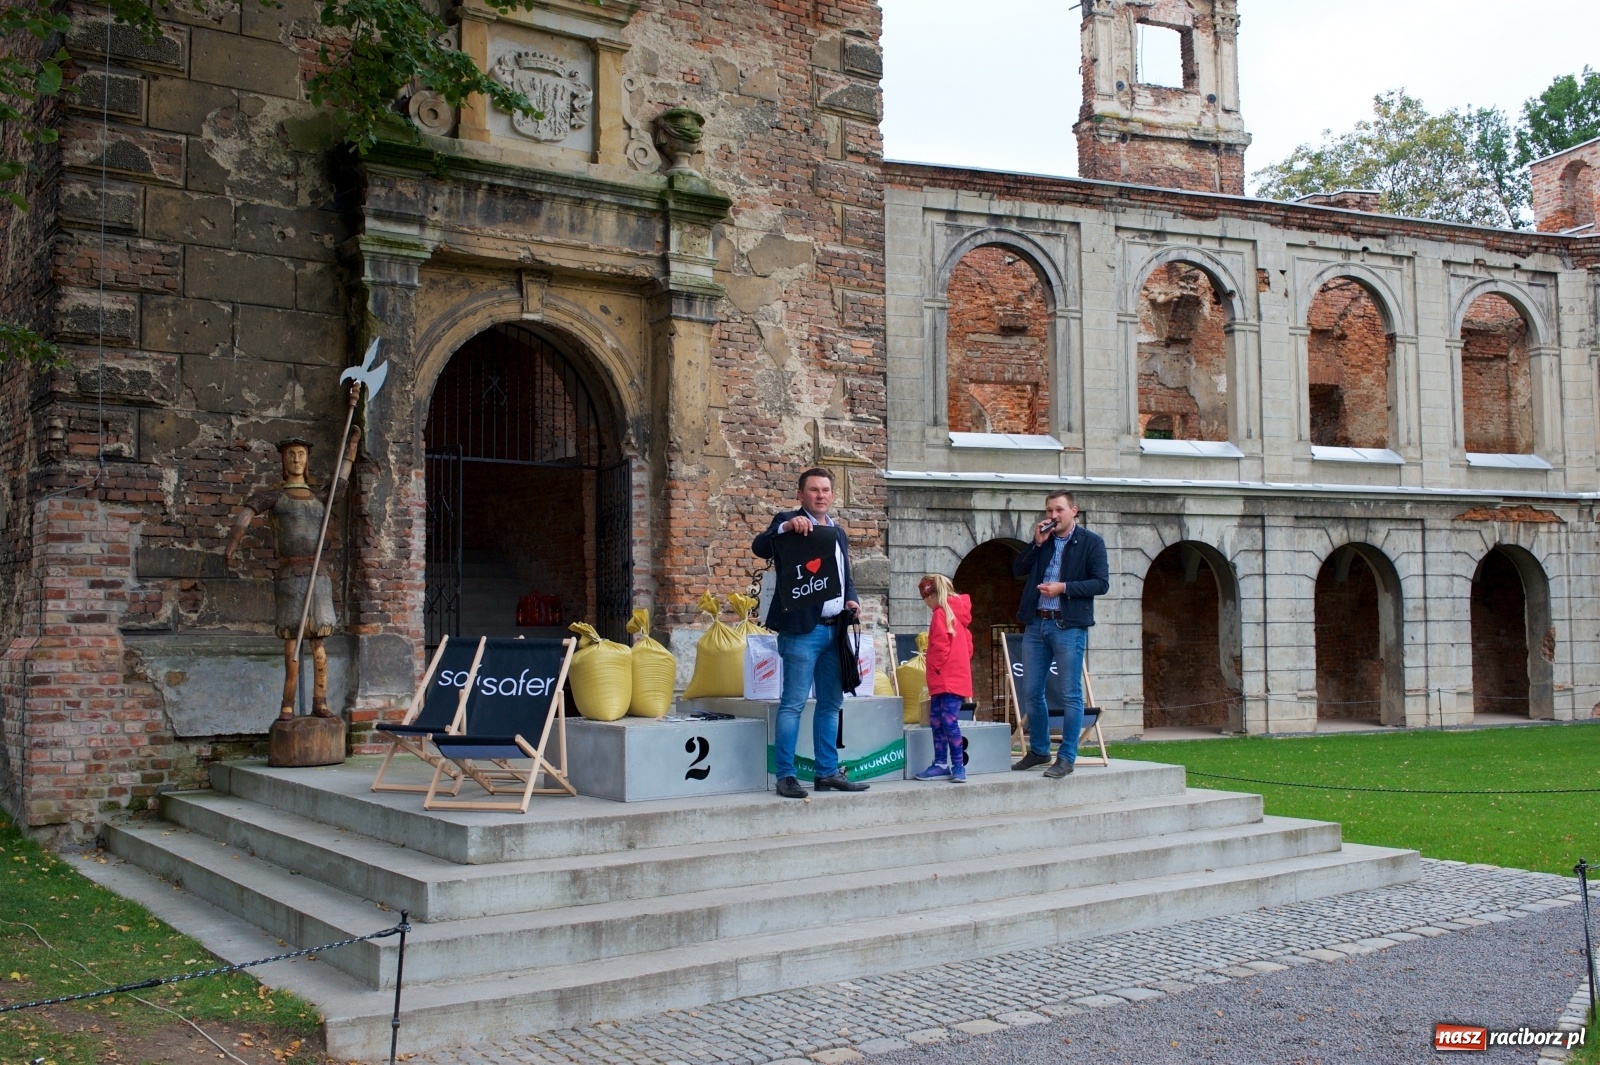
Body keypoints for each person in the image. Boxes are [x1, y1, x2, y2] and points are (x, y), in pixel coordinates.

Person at [752, 467, 870, 799]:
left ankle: (827, 773)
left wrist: (852, 599)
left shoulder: (837, 532)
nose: (821, 495)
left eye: (826, 490)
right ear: (801, 495)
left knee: (831, 704)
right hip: (802, 631)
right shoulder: (787, 522)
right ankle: (786, 776)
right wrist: (787, 527)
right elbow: (760, 547)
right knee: (793, 704)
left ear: (832, 495)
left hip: (836, 630)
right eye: (814, 490)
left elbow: (845, 575)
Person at [225, 431, 358, 719]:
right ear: (283, 460)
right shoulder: (275, 496)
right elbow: (248, 511)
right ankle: (288, 703)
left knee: (319, 642)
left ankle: (320, 701)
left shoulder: (320, 496)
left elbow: (340, 483)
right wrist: (232, 544)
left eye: (301, 455)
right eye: (291, 455)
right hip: (290, 577)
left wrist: (351, 449)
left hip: (317, 576)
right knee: (292, 644)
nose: (296, 460)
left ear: (307, 459)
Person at [1011, 489, 1108, 778]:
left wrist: (1063, 588)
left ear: (1073, 511)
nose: (1053, 516)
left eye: (1058, 510)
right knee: (1031, 691)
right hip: (1036, 624)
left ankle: (1066, 757)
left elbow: (1101, 583)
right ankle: (1040, 750)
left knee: (1070, 693)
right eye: (1049, 510)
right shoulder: (1044, 541)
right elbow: (1018, 569)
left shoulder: (1091, 542)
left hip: (1068, 625)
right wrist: (1035, 543)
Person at [914, 573, 973, 783]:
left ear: (931, 597)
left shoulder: (940, 614)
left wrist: (934, 668)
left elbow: (940, 646)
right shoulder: (958, 615)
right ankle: (948, 765)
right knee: (943, 721)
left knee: (944, 722)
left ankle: (954, 765)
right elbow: (969, 646)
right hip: (956, 677)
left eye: (926, 601)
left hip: (943, 677)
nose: (927, 605)